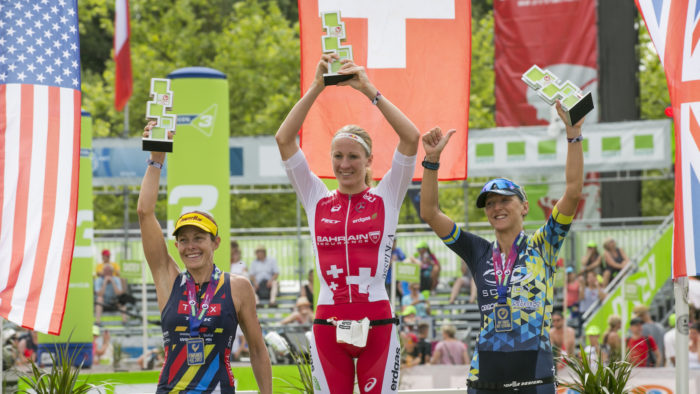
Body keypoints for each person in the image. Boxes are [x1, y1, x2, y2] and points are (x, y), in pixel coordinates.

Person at [275, 52, 419, 394]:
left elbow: (411, 138)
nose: (344, 164)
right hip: (328, 325)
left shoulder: (387, 196)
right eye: (337, 156)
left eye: (353, 156)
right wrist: (315, 88)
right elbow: (284, 139)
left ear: (369, 160)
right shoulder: (316, 197)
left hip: (378, 324)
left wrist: (370, 90)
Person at [419, 100, 584, 393]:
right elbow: (430, 213)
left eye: (504, 200)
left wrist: (573, 136)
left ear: (524, 207)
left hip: (535, 372)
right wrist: (431, 162)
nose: (496, 207)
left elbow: (572, 192)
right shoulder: (478, 250)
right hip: (486, 373)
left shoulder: (543, 244)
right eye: (490, 204)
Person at [137, 133, 271, 394]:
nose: (191, 246)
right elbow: (144, 213)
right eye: (184, 240)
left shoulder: (238, 287)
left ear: (216, 242)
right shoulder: (169, 279)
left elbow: (257, 349)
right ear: (176, 246)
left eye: (199, 238)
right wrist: (156, 159)